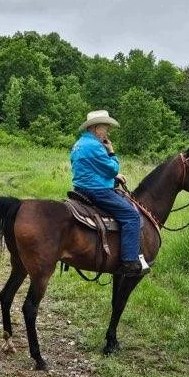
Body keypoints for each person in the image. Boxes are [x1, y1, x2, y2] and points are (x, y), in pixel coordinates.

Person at [70, 110, 149, 277]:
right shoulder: (95, 146)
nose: (108, 132)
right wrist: (111, 151)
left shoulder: (79, 143)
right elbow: (113, 167)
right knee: (131, 216)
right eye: (106, 128)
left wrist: (114, 177)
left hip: (80, 188)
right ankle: (129, 261)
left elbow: (92, 168)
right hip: (97, 191)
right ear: (97, 128)